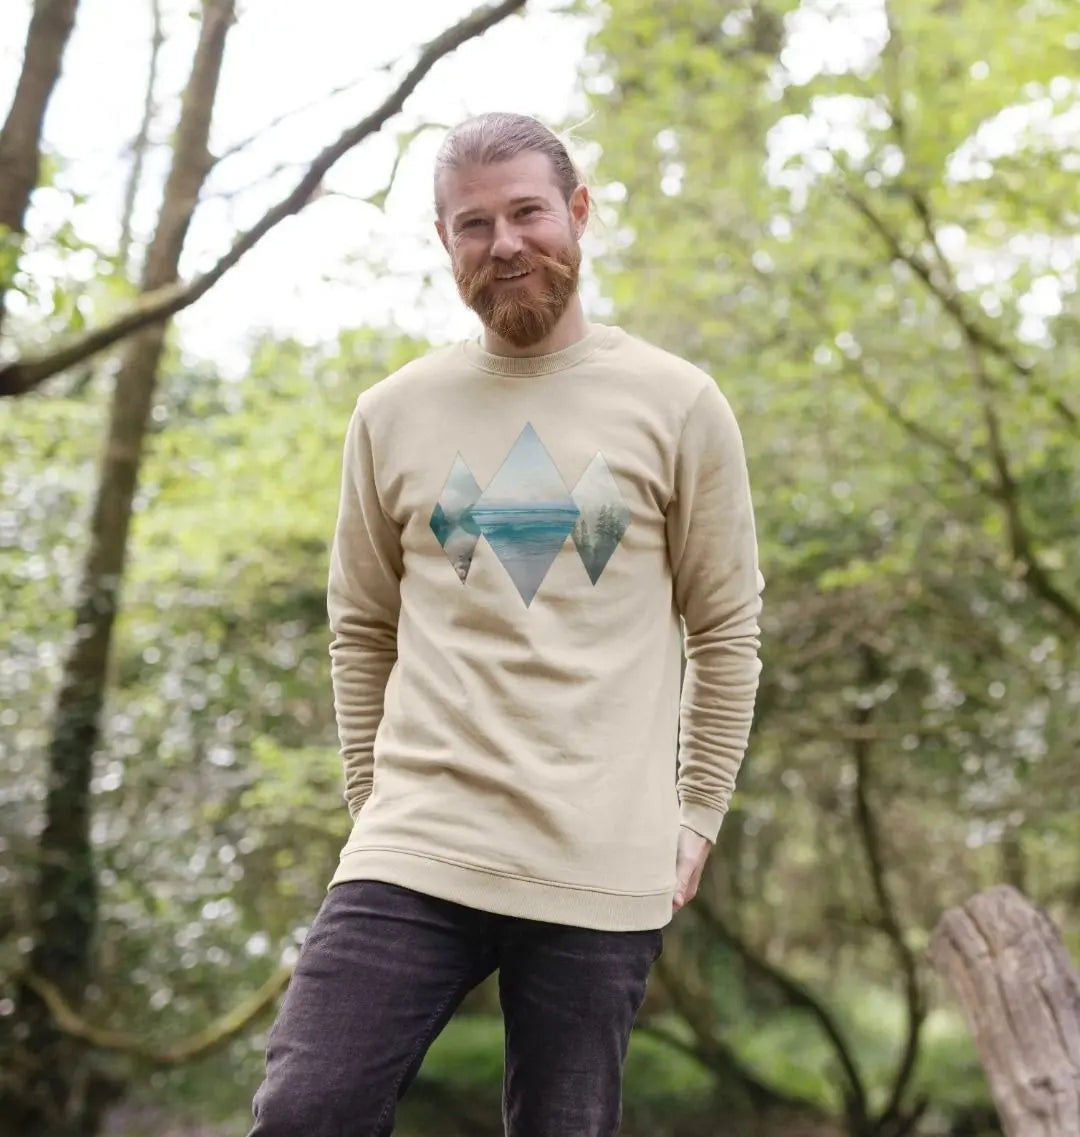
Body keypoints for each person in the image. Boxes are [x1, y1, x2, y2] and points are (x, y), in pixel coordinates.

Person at [247, 111, 763, 1137]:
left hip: (600, 856)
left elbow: (725, 628)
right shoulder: (392, 413)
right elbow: (362, 626)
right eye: (474, 224)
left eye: (528, 212)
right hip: (418, 843)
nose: (506, 243)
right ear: (445, 240)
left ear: (579, 213)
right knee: (306, 1111)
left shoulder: (678, 404)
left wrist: (698, 810)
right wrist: (371, 798)